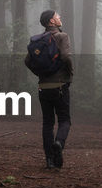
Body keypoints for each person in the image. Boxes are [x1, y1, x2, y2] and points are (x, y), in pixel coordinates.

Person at [27, 9, 72, 169]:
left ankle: (49, 160)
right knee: (64, 120)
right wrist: (70, 74)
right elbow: (66, 57)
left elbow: (27, 61)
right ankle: (59, 143)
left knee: (47, 123)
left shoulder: (37, 41)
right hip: (60, 85)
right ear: (51, 21)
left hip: (43, 87)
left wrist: (39, 73)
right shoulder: (62, 36)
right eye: (57, 16)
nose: (59, 17)